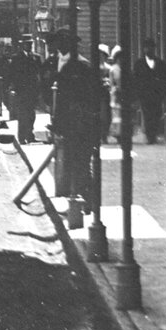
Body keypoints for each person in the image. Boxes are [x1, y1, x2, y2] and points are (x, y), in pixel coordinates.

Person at [48, 31, 100, 217]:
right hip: (73, 125)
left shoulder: (81, 66)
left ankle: (87, 203)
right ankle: (80, 202)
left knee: (82, 164)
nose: (60, 47)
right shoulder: (65, 66)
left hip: (81, 124)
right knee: (75, 164)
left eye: (63, 43)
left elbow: (94, 97)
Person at [6, 42, 42, 144]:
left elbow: (39, 73)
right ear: (23, 46)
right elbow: (11, 73)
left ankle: (30, 135)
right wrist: (11, 86)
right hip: (21, 90)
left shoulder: (36, 58)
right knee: (22, 114)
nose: (29, 46)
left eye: (30, 44)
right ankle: (22, 137)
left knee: (31, 114)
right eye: (27, 44)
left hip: (32, 90)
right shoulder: (17, 58)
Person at [133, 44, 166, 143]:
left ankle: (154, 133)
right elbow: (135, 79)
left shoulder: (160, 63)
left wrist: (163, 92)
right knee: (147, 114)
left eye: (151, 47)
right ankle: (150, 137)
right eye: (146, 47)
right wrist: (138, 93)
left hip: (157, 94)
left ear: (154, 49)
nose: (148, 49)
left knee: (157, 114)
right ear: (144, 49)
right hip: (145, 95)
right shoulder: (139, 64)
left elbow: (165, 78)